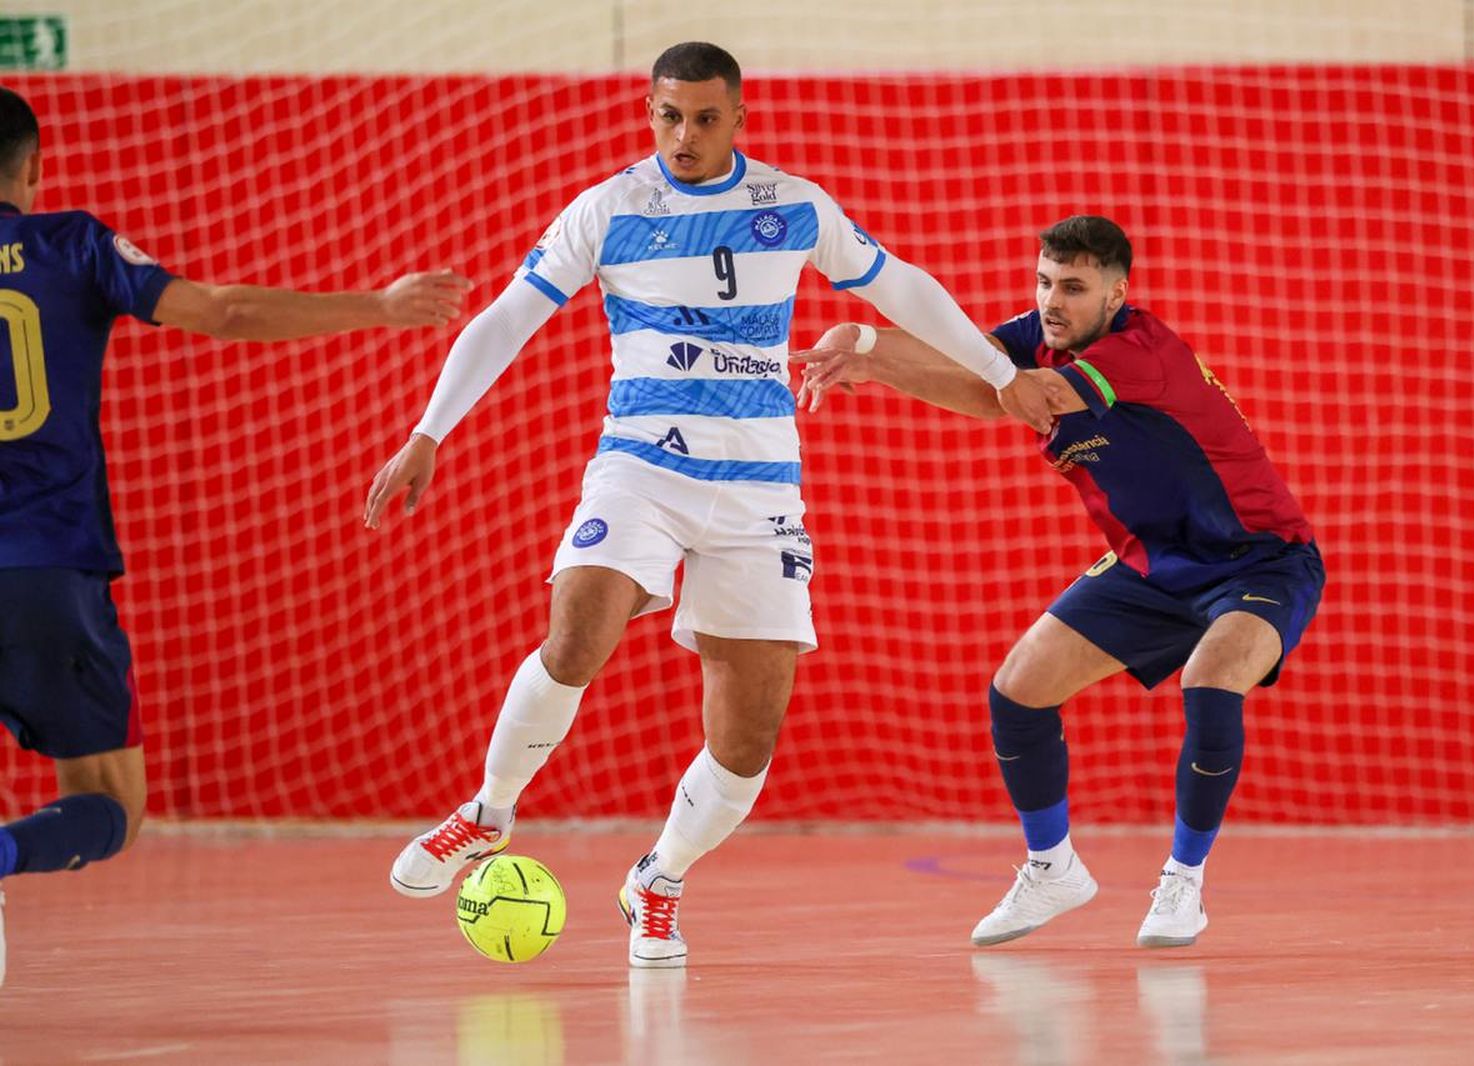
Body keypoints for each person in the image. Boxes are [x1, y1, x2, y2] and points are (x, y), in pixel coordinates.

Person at [364, 41, 1055, 969]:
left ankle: (658, 878)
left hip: (759, 488)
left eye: (701, 118)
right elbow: (505, 318)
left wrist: (1003, 373)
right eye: (666, 116)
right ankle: (487, 813)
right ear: (650, 113)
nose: (681, 135)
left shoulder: (794, 205)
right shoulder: (609, 210)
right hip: (640, 465)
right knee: (578, 625)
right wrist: (428, 431)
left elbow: (904, 289)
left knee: (747, 732)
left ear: (737, 118)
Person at [0, 86, 470, 987]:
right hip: (46, 569)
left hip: (44, 567)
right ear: (33, 169)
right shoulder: (71, 244)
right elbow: (224, 312)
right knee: (109, 805)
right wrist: (379, 305)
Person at [794, 214, 1324, 949]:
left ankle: (1184, 881)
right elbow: (984, 377)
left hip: (1258, 558)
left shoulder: (1139, 352)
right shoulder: (1036, 340)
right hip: (1151, 564)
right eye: (1045, 281)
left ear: (1116, 293)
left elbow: (1023, 396)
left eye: (1073, 288)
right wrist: (867, 346)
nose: (1052, 299)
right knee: (1018, 689)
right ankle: (1052, 869)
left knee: (1210, 677)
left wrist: (876, 351)